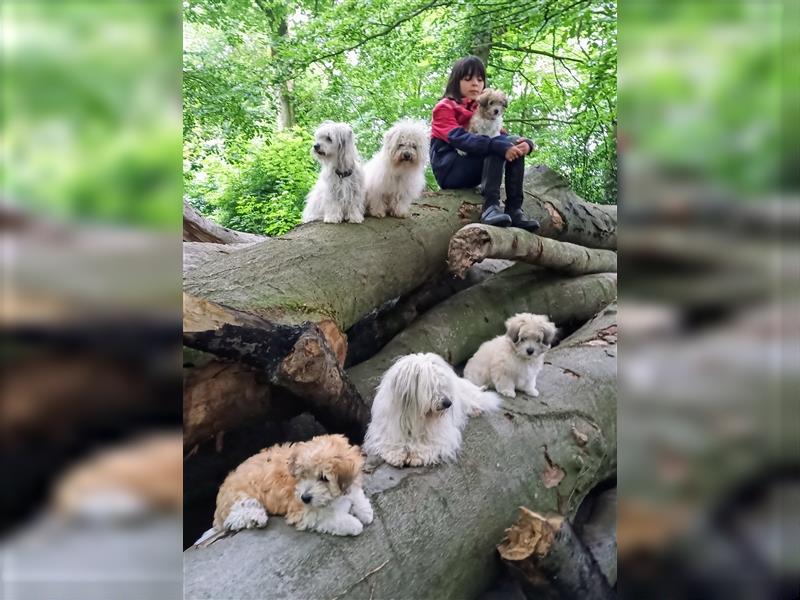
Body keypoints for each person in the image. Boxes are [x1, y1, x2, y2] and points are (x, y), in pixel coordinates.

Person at [430, 55, 539, 230]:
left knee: (508, 143)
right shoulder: (444, 107)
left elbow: (503, 136)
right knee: (496, 146)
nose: (475, 84)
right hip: (451, 170)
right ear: (456, 81)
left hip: (473, 165)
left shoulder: (481, 108)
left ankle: (514, 209)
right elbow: (460, 139)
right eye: (468, 79)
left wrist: (526, 143)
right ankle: (490, 207)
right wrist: (497, 145)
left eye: (480, 79)